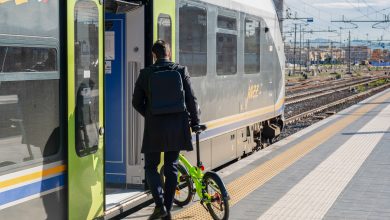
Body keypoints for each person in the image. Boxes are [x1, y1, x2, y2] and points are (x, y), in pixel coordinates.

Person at [132, 40, 200, 220]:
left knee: (150, 166)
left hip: (155, 127)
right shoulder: (180, 70)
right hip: (177, 126)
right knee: (171, 167)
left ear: (154, 56)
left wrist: (150, 114)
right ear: (168, 54)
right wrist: (195, 122)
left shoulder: (146, 74)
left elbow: (136, 102)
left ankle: (160, 206)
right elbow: (191, 100)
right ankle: (167, 209)